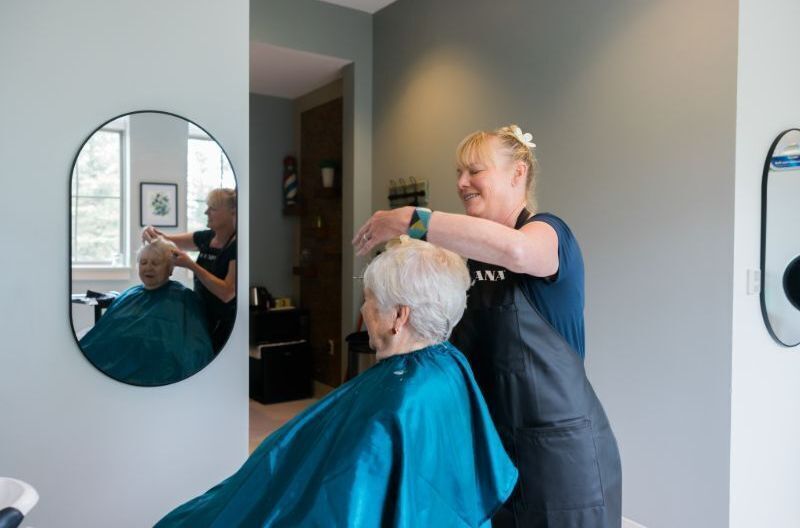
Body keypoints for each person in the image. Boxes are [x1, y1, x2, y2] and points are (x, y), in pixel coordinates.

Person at [353, 125, 622, 527]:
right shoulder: (466, 259)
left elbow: (515, 250)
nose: (462, 182)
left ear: (518, 174)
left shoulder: (549, 234)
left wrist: (412, 219)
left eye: (474, 170)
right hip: (495, 453)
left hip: (562, 460)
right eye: (458, 173)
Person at [155, 237, 518, 528]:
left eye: (370, 302)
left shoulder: (396, 403)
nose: (362, 311)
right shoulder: (449, 365)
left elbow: (339, 503)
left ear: (399, 317)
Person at [79, 238, 214, 386]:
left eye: (155, 263)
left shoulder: (184, 298)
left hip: (159, 370)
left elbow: (195, 347)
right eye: (143, 263)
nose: (148, 268)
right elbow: (104, 333)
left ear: (170, 269)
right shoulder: (129, 294)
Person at [143, 188, 236, 353]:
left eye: (213, 208)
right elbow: (166, 240)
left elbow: (227, 292)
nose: (206, 211)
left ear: (232, 212)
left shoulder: (236, 246)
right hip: (201, 317)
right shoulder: (205, 238)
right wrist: (149, 231)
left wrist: (191, 265)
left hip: (226, 325)